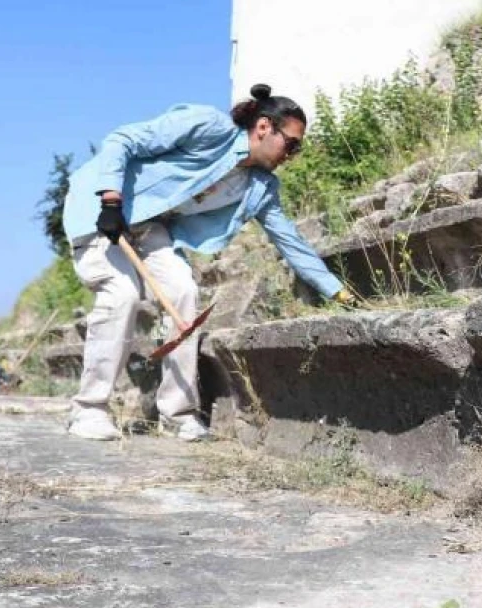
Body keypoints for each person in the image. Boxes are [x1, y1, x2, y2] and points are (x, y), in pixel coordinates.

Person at [62, 84, 353, 442]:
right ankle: (88, 411)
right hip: (102, 212)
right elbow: (123, 140)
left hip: (151, 228)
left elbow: (290, 242)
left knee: (184, 292)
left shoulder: (260, 187)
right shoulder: (206, 126)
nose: (292, 153)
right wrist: (110, 200)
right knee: (121, 294)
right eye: (290, 143)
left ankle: (177, 414)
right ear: (263, 127)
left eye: (298, 147)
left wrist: (339, 293)